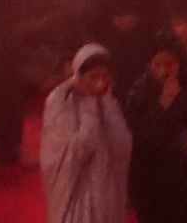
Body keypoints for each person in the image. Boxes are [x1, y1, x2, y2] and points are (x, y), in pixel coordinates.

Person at [40, 49, 130, 223]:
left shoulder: (105, 98)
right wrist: (88, 105)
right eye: (94, 77)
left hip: (104, 186)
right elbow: (76, 148)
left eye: (104, 77)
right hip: (75, 189)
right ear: (78, 76)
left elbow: (123, 141)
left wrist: (105, 103)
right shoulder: (59, 101)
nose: (100, 84)